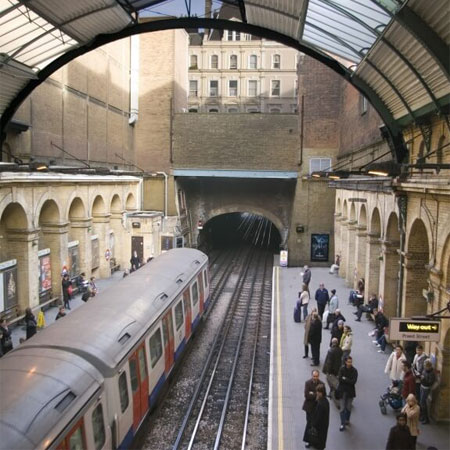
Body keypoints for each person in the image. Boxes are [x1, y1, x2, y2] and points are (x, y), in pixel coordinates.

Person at [302, 370, 325, 441]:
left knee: (315, 424)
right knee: (309, 423)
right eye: (314, 376)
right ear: (312, 376)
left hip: (317, 408)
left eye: (317, 376)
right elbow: (306, 395)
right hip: (309, 408)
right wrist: (316, 395)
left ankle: (314, 439)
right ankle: (308, 440)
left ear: (318, 376)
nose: (315, 377)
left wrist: (312, 394)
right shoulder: (308, 383)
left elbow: (323, 395)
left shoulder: (322, 384)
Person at [305, 384, 329, 449]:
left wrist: (312, 424)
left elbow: (317, 418)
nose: (317, 393)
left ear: (322, 393)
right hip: (323, 429)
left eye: (318, 392)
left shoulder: (321, 404)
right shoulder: (325, 401)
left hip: (318, 432)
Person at [337, 355, 358, 431]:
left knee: (348, 407)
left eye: (351, 362)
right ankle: (342, 423)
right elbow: (339, 378)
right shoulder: (342, 369)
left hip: (350, 392)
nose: (350, 363)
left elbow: (354, 381)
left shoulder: (354, 371)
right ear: (345, 362)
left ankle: (347, 420)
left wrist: (345, 379)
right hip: (342, 391)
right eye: (348, 362)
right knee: (342, 408)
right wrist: (348, 380)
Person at [322, 337, 343, 403]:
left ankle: (332, 392)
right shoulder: (340, 350)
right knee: (334, 380)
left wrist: (327, 371)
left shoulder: (331, 351)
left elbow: (329, 362)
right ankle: (332, 391)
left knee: (330, 380)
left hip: (331, 370)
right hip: (337, 368)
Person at [419, 359, 436, 424]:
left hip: (426, 388)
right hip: (422, 386)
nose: (425, 367)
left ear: (429, 366)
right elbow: (422, 374)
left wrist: (424, 379)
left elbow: (430, 382)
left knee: (423, 402)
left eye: (426, 366)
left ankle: (426, 418)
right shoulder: (425, 370)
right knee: (421, 402)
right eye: (424, 366)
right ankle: (423, 416)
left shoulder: (432, 373)